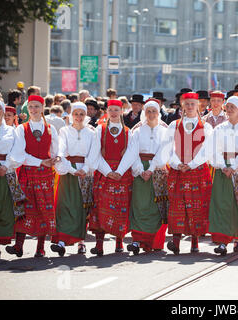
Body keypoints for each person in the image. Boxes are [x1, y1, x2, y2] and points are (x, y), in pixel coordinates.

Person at [6, 95, 60, 258]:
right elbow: (19, 154)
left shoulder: (51, 128)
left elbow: (57, 150)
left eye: (37, 106)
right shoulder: (22, 128)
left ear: (43, 108)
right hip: (28, 172)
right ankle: (18, 246)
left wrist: (56, 158)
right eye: (31, 107)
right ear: (27, 109)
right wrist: (40, 162)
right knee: (26, 208)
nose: (34, 110)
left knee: (44, 208)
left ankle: (40, 248)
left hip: (45, 174)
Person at [165, 92, 213, 254]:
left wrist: (191, 164)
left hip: (197, 170)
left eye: (193, 104)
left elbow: (208, 149)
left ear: (198, 105)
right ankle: (176, 241)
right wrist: (177, 163)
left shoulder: (205, 126)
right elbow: (167, 148)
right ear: (183, 106)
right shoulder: (174, 125)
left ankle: (195, 240)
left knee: (197, 206)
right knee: (177, 206)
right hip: (178, 170)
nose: (190, 107)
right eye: (187, 104)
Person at [119, 100, 170, 254]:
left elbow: (164, 151)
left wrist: (152, 168)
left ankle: (153, 241)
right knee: (140, 205)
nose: (151, 114)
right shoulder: (138, 131)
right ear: (144, 113)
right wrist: (141, 170)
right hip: (140, 170)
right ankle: (137, 240)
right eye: (148, 111)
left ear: (158, 113)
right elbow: (132, 152)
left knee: (157, 205)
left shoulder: (165, 131)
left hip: (158, 171)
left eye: (154, 111)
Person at [50, 102, 100, 256]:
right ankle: (61, 241)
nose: (78, 117)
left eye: (82, 114)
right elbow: (61, 149)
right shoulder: (64, 131)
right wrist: (72, 169)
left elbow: (94, 152)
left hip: (85, 173)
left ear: (86, 115)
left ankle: (81, 242)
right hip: (68, 173)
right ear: (71, 115)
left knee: (82, 207)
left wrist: (84, 169)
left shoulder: (91, 133)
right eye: (76, 113)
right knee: (64, 206)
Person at [207, 96, 238, 255]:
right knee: (221, 204)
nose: (229, 110)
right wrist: (223, 165)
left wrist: (234, 166)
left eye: (232, 107)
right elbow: (212, 149)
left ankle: (237, 239)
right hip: (222, 171)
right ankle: (222, 241)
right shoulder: (219, 129)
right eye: (227, 107)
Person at [88, 99, 134, 256]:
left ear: (121, 111)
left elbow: (131, 154)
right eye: (111, 110)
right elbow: (95, 153)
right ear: (107, 112)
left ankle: (119, 242)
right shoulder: (99, 130)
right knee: (101, 207)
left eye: (116, 110)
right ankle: (99, 244)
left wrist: (119, 171)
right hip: (104, 173)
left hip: (122, 174)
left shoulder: (129, 131)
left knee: (121, 208)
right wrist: (108, 172)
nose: (113, 113)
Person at [0, 99, 24, 260]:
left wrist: (5, 166)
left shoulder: (12, 131)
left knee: (5, 208)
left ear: (4, 111)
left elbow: (17, 152)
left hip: (7, 172)